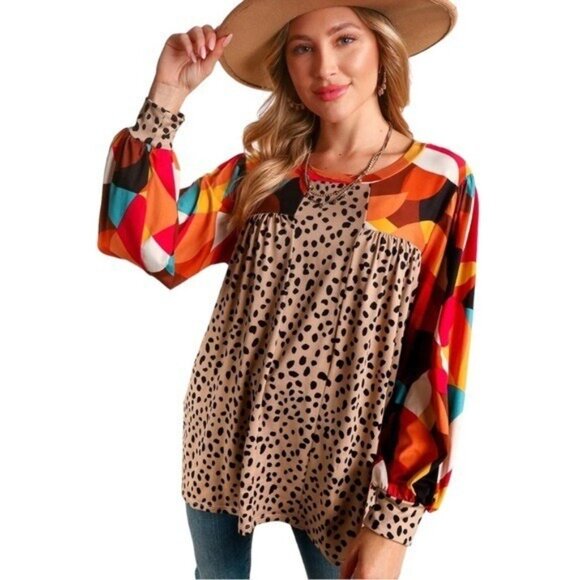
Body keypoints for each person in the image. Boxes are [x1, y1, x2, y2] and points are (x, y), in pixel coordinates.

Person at [97, 1, 479, 578]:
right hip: (227, 433)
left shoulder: (436, 184)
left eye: (345, 39)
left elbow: (438, 357)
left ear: (382, 48)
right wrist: (167, 95)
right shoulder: (263, 175)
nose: (324, 66)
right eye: (303, 48)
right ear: (287, 68)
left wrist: (396, 518)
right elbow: (152, 244)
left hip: (346, 462)